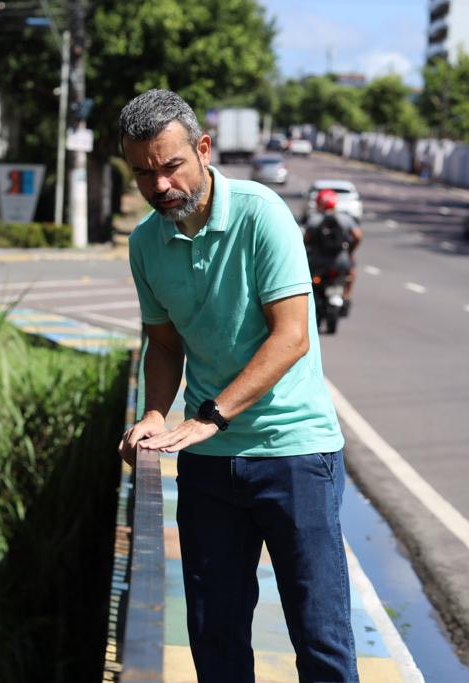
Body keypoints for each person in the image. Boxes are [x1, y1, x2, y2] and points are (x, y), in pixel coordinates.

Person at [117, 89, 356, 682]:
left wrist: (210, 415)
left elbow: (291, 336)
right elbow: (166, 342)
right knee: (215, 639)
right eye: (144, 173)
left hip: (294, 452)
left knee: (321, 639)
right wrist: (153, 413)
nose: (161, 185)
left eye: (171, 165)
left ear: (202, 149)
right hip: (209, 466)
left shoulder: (261, 212)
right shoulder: (145, 243)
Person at [305, 189, 362, 316]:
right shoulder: (345, 219)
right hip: (341, 261)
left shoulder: (314, 220)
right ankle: (347, 296)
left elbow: (306, 240)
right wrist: (350, 252)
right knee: (351, 270)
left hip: (317, 262)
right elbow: (358, 236)